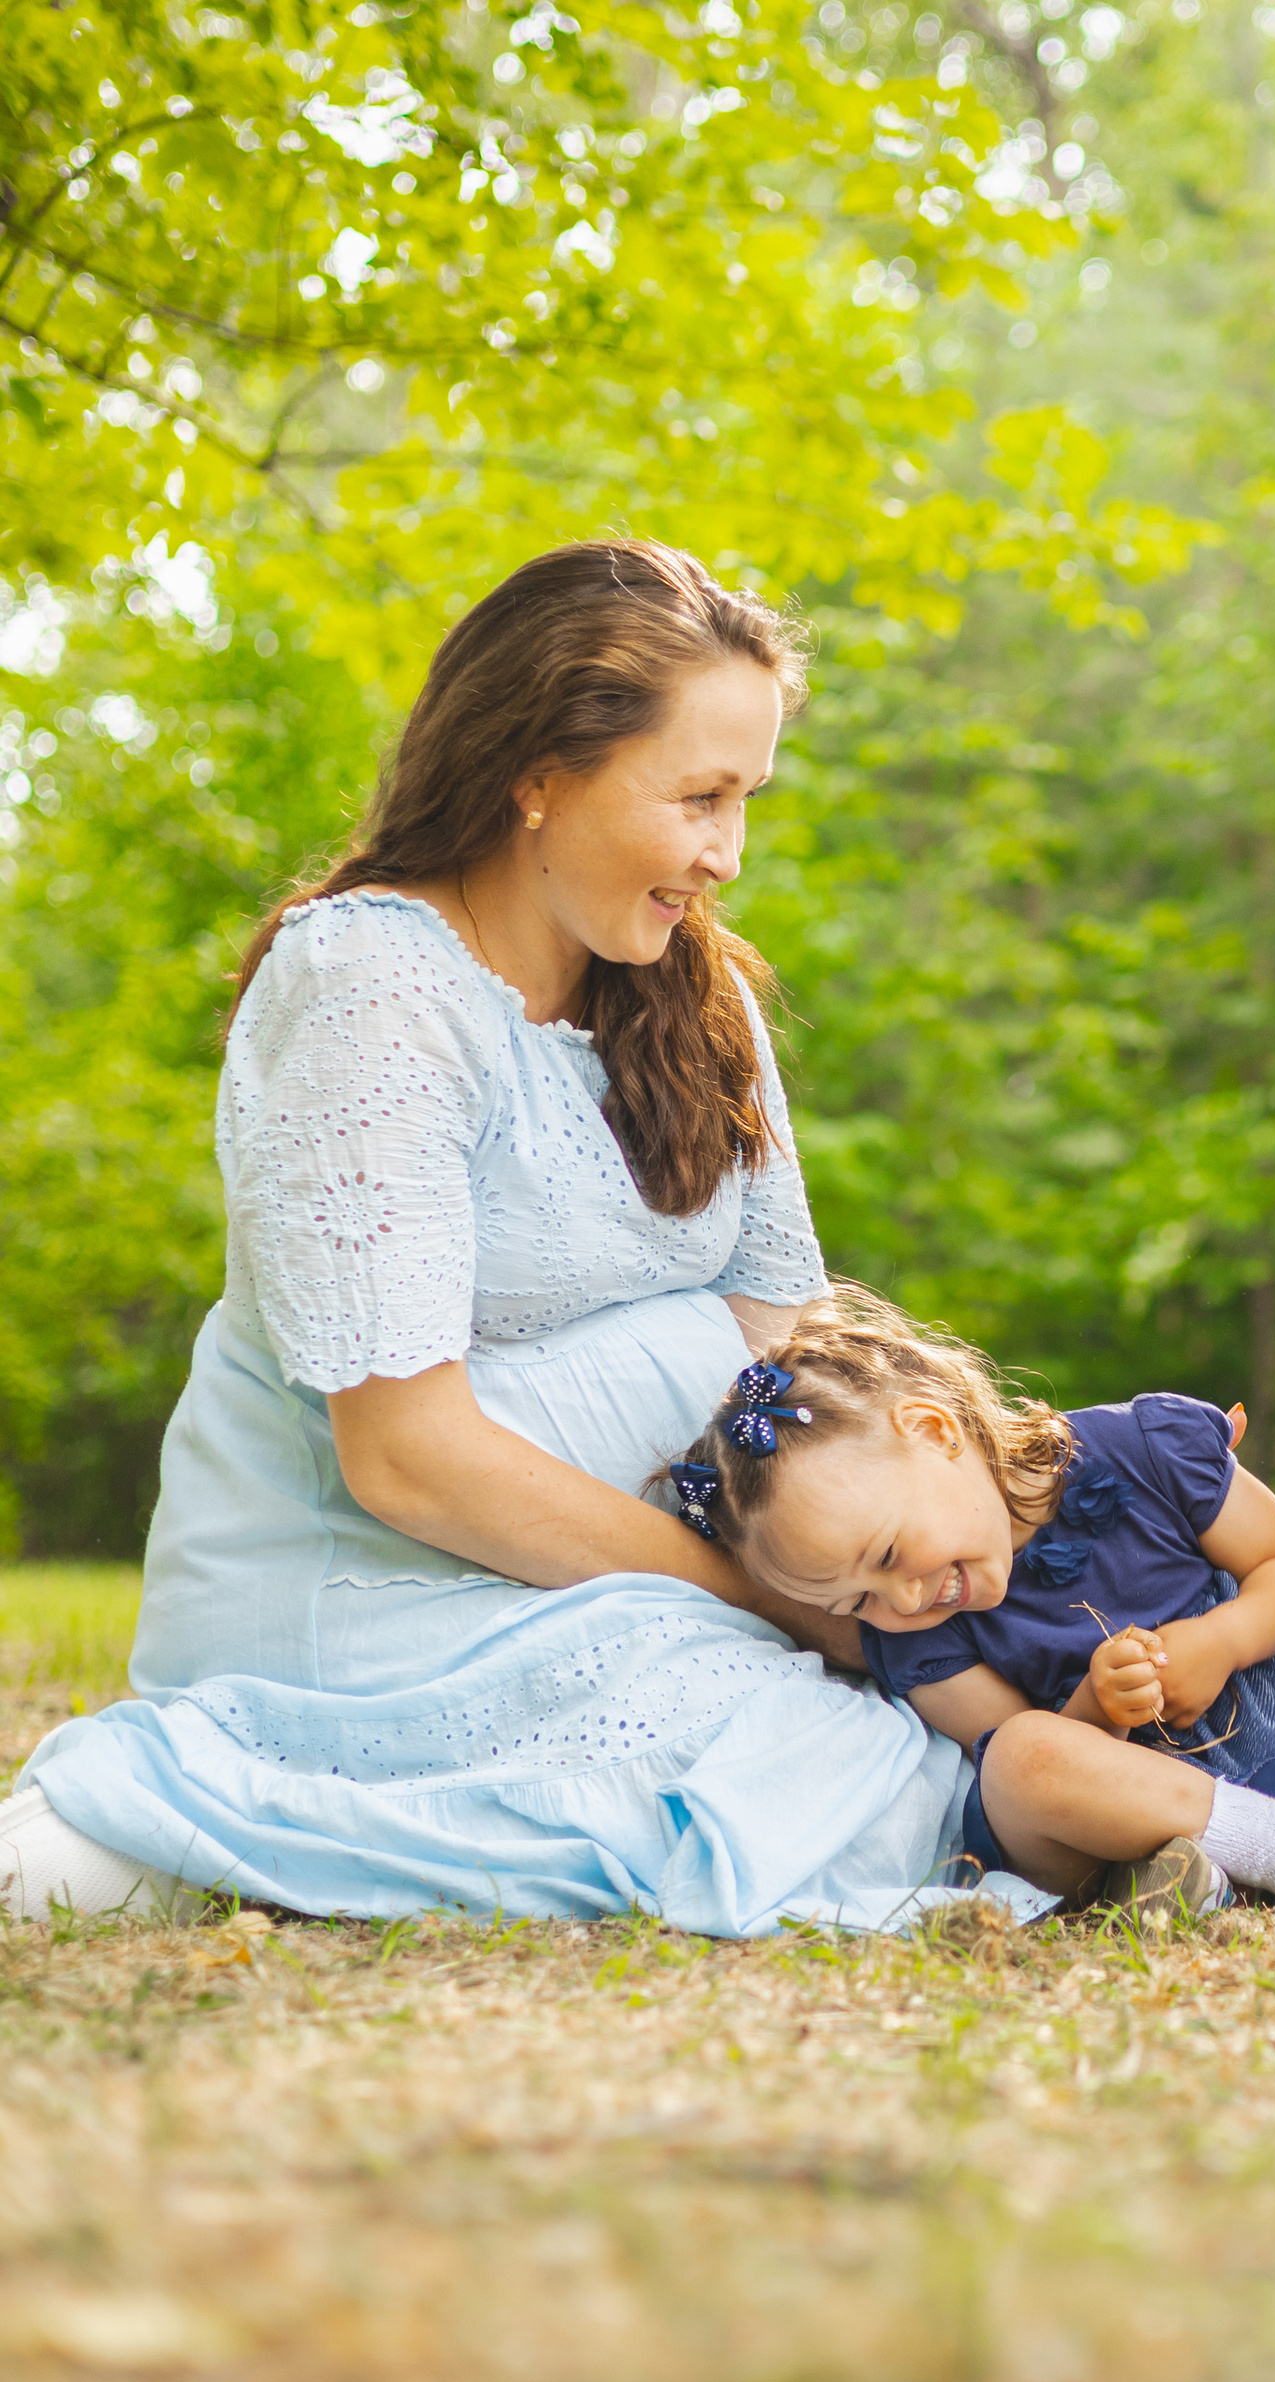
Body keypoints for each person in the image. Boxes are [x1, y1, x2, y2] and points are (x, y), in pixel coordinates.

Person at [0, 539, 1048, 1933]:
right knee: (817, 1753)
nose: (726, 855)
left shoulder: (699, 996)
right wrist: (772, 1602)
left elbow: (790, 1361)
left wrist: (871, 1556)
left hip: (647, 1560)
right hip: (368, 1586)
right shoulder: (372, 989)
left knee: (937, 1699)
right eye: (699, 798)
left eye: (747, 802)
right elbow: (406, 1457)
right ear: (538, 775)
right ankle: (163, 1836)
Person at [659, 1286, 1275, 1927]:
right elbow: (1017, 1751)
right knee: (1023, 1758)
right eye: (859, 1597)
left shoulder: (1142, 1446)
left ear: (933, 1432)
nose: (901, 1598)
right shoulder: (916, 1639)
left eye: (889, 1555)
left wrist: (1217, 1638)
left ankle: (1273, 1868)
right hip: (1124, 1803)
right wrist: (1097, 1706)